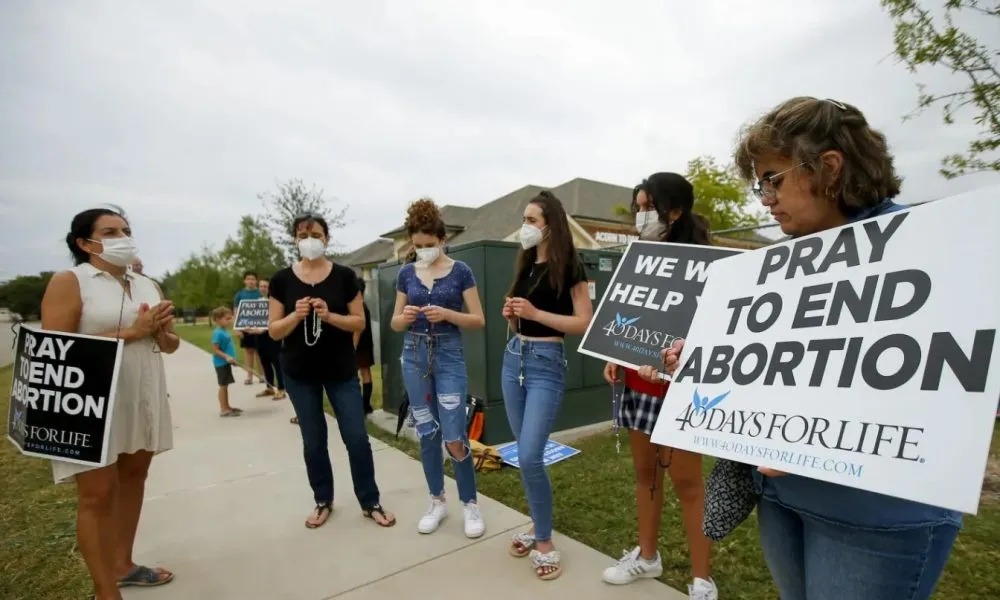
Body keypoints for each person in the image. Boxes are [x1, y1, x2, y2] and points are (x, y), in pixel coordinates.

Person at [653, 97, 960, 600]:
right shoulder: (779, 264)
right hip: (781, 498)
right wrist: (709, 359)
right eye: (759, 184)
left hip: (875, 516)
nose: (764, 198)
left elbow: (939, 379)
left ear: (830, 168)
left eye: (772, 179)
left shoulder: (931, 247)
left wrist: (825, 439)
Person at [41, 207, 177, 600]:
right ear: (84, 243)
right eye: (111, 231)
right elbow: (57, 348)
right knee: (98, 494)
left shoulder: (148, 284)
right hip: (89, 403)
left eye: (127, 230)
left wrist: (162, 334)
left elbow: (168, 344)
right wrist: (134, 332)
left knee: (134, 480)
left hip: (142, 397)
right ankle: (105, 590)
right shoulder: (71, 282)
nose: (123, 236)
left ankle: (123, 564)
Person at [600, 174, 718, 599]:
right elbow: (625, 321)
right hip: (638, 385)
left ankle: (703, 580)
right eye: (637, 207)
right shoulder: (637, 260)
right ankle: (647, 557)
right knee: (645, 475)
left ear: (674, 210)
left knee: (688, 484)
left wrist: (672, 362)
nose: (641, 215)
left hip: (682, 390)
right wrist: (615, 354)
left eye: (648, 205)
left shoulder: (707, 265)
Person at [267, 213, 396, 529]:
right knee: (313, 440)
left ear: (326, 238)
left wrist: (329, 316)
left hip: (340, 370)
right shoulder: (282, 280)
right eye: (302, 233)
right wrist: (296, 317)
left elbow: (359, 322)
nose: (309, 237)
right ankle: (323, 500)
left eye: (315, 232)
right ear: (295, 239)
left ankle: (370, 500)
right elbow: (273, 331)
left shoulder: (344, 277)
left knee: (356, 437)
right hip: (299, 373)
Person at [501, 191, 593, 580]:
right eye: (525, 219)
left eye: (532, 220)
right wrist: (512, 316)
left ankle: (543, 541)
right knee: (524, 454)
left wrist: (536, 312)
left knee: (532, 454)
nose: (526, 226)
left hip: (545, 364)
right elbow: (519, 322)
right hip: (513, 359)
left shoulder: (572, 266)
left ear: (551, 225)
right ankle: (538, 524)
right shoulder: (525, 265)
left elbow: (583, 322)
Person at [390, 198, 487, 537]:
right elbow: (394, 323)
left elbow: (478, 319)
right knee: (427, 434)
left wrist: (447, 314)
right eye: (417, 246)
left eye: (429, 245)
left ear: (442, 239)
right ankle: (437, 501)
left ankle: (470, 505)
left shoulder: (461, 272)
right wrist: (405, 317)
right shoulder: (406, 273)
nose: (423, 251)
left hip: (448, 354)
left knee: (455, 436)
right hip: (414, 353)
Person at [255, 277, 286, 400]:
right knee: (265, 362)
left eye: (265, 286)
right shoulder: (256, 302)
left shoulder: (275, 303)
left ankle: (281, 389)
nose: (263, 288)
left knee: (277, 363)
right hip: (259, 337)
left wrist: (265, 329)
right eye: (261, 286)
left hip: (272, 337)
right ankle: (269, 387)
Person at [209, 306, 243, 417]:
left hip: (226, 362)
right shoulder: (217, 333)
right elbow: (215, 350)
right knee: (223, 385)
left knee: (226, 385)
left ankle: (227, 406)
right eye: (226, 319)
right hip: (221, 363)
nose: (229, 321)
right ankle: (223, 409)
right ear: (218, 320)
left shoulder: (224, 331)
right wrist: (227, 357)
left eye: (230, 318)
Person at [233, 270, 265, 386]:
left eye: (253, 279)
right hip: (245, 327)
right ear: (244, 280)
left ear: (256, 280)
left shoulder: (261, 293)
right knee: (248, 351)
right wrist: (237, 328)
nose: (251, 281)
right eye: (248, 279)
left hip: (259, 327)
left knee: (259, 352)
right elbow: (236, 312)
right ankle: (249, 376)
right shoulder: (239, 295)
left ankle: (262, 375)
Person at [353, 275, 375, 415]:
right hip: (366, 343)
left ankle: (363, 405)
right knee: (365, 372)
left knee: (357, 373)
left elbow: (358, 329)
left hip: (359, 344)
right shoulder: (364, 305)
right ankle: (365, 405)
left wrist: (352, 346)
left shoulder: (359, 306)